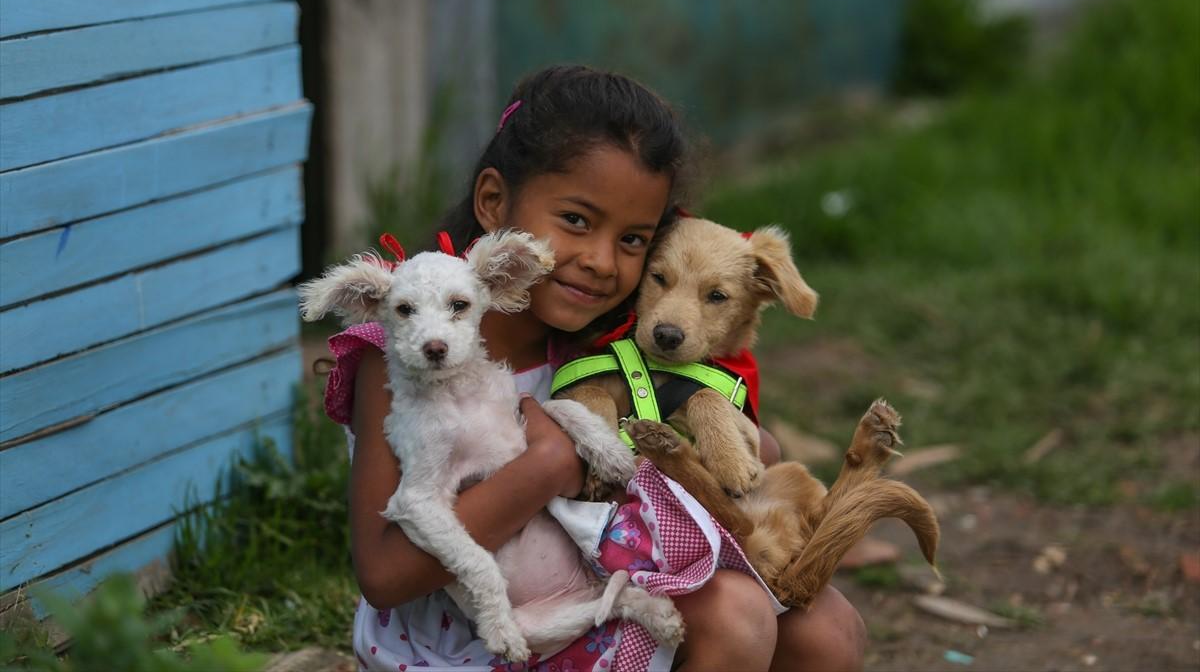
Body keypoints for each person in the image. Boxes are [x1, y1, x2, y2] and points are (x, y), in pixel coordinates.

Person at [321, 66, 867, 672]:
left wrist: (729, 443)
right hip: (483, 637)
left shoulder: (601, 345)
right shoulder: (402, 359)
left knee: (830, 633)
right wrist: (548, 465)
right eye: (576, 221)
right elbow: (386, 573)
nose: (602, 262)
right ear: (494, 202)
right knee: (733, 614)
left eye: (633, 240)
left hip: (600, 589)